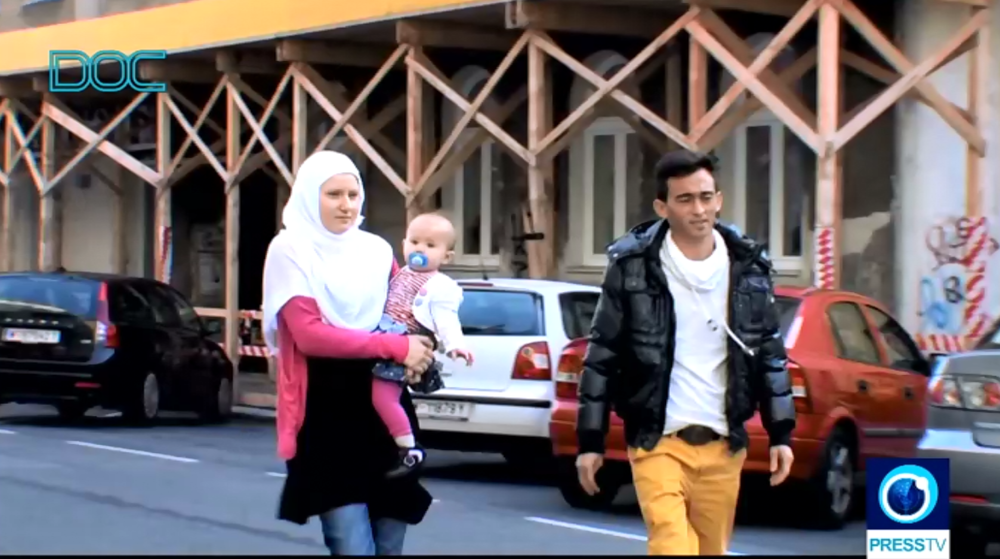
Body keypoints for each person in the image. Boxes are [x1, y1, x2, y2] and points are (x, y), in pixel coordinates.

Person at [575, 149, 796, 555]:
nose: (699, 209)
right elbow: (602, 355)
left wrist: (781, 433)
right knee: (672, 546)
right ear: (662, 206)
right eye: (685, 199)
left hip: (723, 443)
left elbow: (769, 351)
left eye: (706, 197)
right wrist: (591, 442)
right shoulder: (632, 266)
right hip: (658, 438)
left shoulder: (749, 266)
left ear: (719, 199)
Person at [262, 150, 436, 555]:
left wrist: (426, 343)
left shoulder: (375, 249)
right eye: (333, 194)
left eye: (353, 194)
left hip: (382, 406)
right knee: (352, 544)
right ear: (309, 196)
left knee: (390, 541)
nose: (346, 205)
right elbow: (310, 336)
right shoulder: (290, 249)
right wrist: (396, 346)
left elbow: (405, 310)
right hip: (325, 411)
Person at [371, 212, 475, 478]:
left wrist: (455, 345)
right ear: (404, 244)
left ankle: (409, 449)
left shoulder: (441, 286)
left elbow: (446, 319)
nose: (420, 249)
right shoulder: (398, 273)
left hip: (404, 348)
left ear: (446, 256)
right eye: (415, 242)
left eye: (430, 245)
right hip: (383, 340)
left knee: (382, 397)